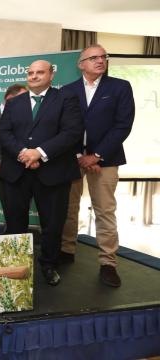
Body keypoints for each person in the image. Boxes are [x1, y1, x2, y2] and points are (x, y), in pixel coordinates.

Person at [0, 60, 83, 286]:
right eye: (30, 73)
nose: (34, 76)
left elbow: (72, 132)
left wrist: (40, 153)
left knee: (52, 224)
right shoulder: (14, 103)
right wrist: (24, 153)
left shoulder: (66, 99)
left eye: (40, 72)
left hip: (53, 172)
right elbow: (4, 133)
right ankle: (15, 265)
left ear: (51, 75)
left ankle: (48, 264)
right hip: (17, 171)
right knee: (15, 222)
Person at [60, 44, 135, 287]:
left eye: (104, 57)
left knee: (104, 210)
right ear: (81, 64)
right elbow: (62, 126)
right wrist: (80, 156)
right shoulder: (67, 90)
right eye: (94, 58)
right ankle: (66, 250)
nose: (100, 60)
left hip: (106, 159)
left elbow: (123, 125)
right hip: (72, 158)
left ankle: (108, 263)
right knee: (69, 207)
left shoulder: (120, 87)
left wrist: (97, 155)